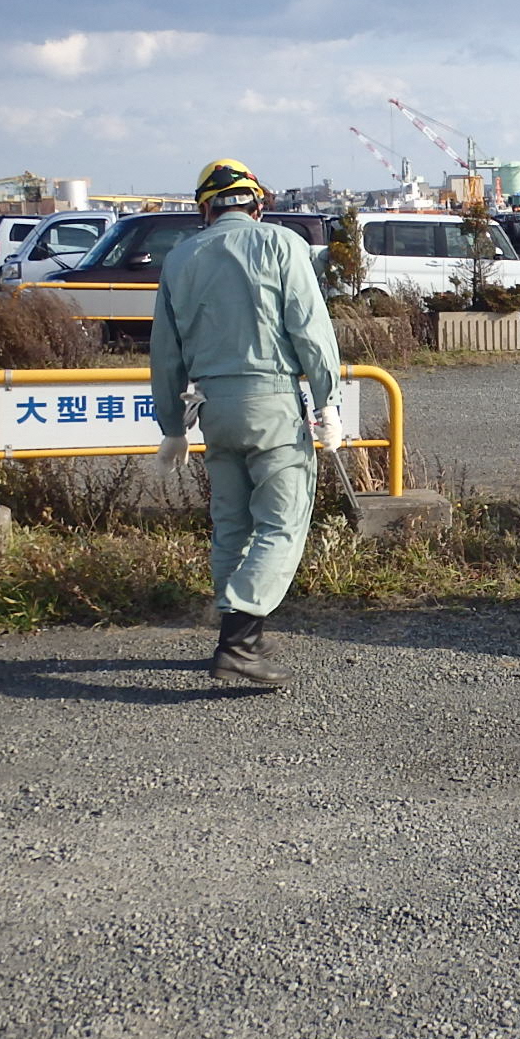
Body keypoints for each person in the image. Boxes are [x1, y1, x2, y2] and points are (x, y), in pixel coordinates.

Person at [150, 158, 343, 686]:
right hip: (272, 402)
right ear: (257, 204)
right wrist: (327, 401)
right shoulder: (281, 244)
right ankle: (238, 641)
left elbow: (165, 352)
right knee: (282, 521)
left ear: (205, 208)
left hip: (212, 408)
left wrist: (171, 426)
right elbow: (310, 329)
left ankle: (236, 635)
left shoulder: (181, 256)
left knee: (231, 523)